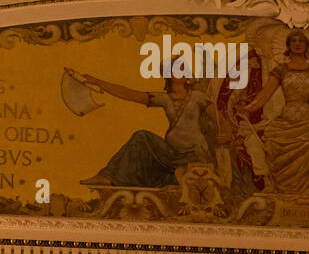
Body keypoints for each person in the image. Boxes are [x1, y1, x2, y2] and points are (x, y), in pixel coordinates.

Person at [237, 30, 309, 196]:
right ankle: (273, 183)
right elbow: (265, 94)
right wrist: (249, 108)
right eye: (294, 40)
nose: (298, 43)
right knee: (271, 136)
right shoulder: (281, 70)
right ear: (288, 45)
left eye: (301, 41)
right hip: (287, 119)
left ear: (306, 46)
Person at [76, 70, 218, 187]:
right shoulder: (164, 98)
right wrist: (98, 82)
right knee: (141, 136)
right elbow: (130, 94)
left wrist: (226, 133)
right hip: (171, 154)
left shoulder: (198, 97)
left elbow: (218, 117)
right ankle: (107, 177)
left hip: (194, 155)